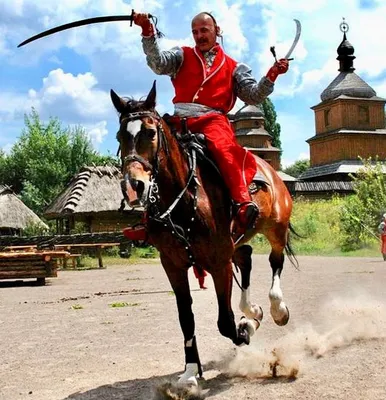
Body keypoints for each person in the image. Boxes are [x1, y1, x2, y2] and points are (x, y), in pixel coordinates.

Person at [131, 11, 289, 242]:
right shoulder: (181, 55)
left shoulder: (235, 67)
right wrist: (147, 31)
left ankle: (244, 205)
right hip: (179, 119)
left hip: (213, 120)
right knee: (153, 153)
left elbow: (253, 96)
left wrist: (272, 75)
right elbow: (157, 64)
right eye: (195, 31)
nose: (199, 35)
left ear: (217, 30)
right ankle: (149, 219)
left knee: (227, 153)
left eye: (204, 30)